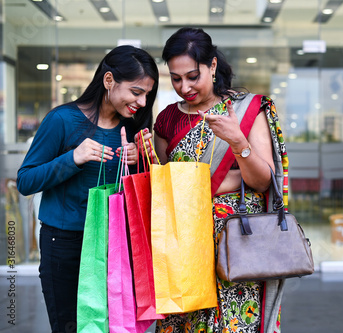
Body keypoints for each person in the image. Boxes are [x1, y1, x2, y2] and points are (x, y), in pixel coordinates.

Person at [153, 27, 288, 333]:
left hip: (239, 244)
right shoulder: (168, 120)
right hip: (186, 247)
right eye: (176, 78)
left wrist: (239, 142)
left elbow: (262, 181)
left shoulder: (245, 111)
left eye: (192, 76)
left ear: (212, 66)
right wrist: (229, 178)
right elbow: (167, 185)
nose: (184, 86)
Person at [17, 44, 159, 333]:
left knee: (114, 327)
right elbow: (26, 181)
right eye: (136, 92)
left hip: (115, 246)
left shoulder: (132, 129)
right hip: (64, 245)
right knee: (70, 326)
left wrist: (139, 162)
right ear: (108, 81)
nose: (143, 102)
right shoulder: (62, 120)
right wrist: (73, 158)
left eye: (147, 94)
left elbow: (141, 193)